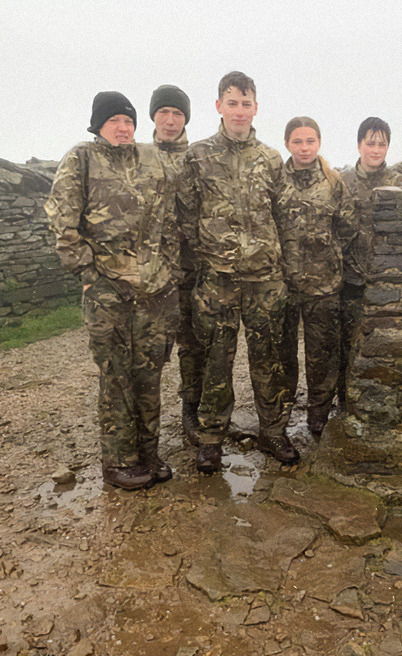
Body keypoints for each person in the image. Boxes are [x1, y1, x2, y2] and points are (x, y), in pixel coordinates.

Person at [46, 91, 179, 490]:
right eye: (114, 121)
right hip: (108, 291)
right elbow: (61, 220)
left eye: (128, 121)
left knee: (149, 374)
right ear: (99, 125)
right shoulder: (82, 158)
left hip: (155, 290)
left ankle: (149, 452)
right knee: (117, 375)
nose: (123, 129)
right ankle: (119, 460)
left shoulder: (153, 159)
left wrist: (167, 268)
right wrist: (88, 272)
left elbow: (170, 217)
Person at [177, 71, 297, 471]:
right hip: (218, 281)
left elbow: (282, 216)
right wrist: (209, 262)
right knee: (216, 361)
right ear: (219, 106)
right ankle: (211, 438)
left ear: (256, 108)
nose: (240, 111)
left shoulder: (270, 158)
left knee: (268, 359)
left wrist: (280, 269)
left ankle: (273, 432)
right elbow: (186, 217)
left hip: (264, 279)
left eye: (247, 104)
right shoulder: (196, 156)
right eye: (232, 102)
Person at [275, 117, 358, 437]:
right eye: (297, 141)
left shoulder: (333, 182)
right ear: (287, 144)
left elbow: (348, 227)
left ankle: (318, 413)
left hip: (324, 284)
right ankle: (279, 416)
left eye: (310, 141)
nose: (304, 147)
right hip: (283, 283)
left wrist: (327, 254)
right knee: (282, 354)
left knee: (322, 354)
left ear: (319, 143)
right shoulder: (275, 179)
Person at [149, 84, 202, 444]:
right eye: (164, 112)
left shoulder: (198, 158)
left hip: (192, 271)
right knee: (150, 352)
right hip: (151, 276)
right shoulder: (136, 157)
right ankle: (143, 428)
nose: (170, 121)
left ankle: (191, 413)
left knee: (194, 346)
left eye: (178, 114)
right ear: (153, 115)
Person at [338, 117, 392, 408]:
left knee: (381, 347)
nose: (375, 149)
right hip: (350, 281)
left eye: (381, 144)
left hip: (387, 281)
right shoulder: (342, 181)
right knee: (347, 346)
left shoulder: (398, 182)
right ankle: (345, 404)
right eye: (370, 143)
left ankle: (379, 404)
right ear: (359, 144)